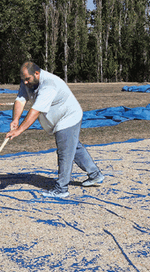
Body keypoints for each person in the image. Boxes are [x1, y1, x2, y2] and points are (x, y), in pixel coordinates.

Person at [6, 61, 104, 198]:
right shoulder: (28, 81)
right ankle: (95, 175)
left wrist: (19, 130)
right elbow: (21, 100)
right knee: (74, 147)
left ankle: (61, 189)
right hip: (58, 119)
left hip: (68, 117)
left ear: (37, 73)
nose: (25, 83)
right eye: (23, 80)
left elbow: (35, 111)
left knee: (65, 152)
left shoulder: (49, 85)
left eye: (27, 79)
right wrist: (15, 119)